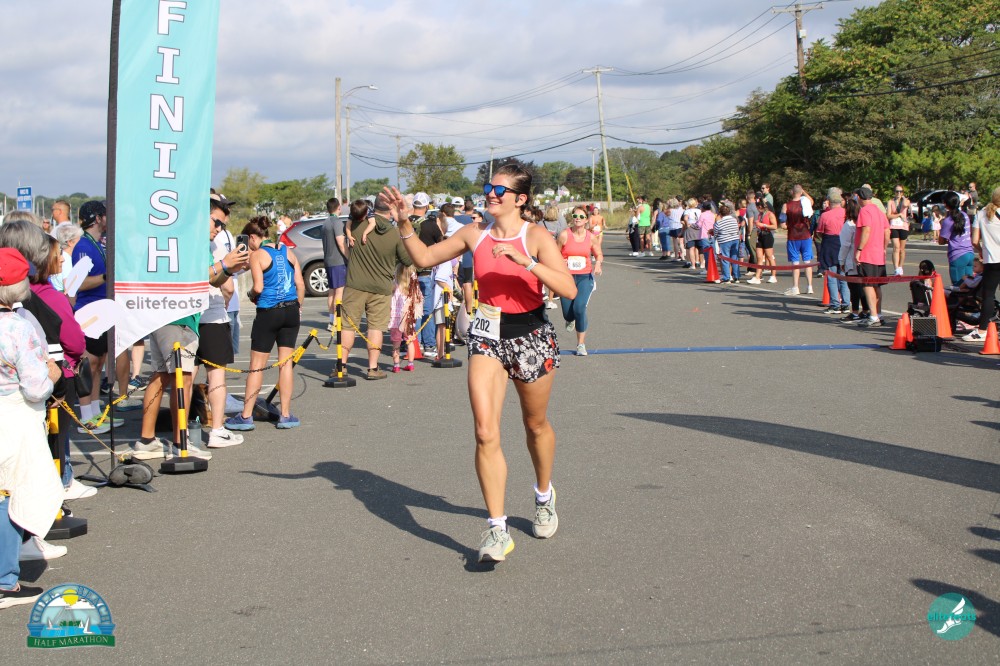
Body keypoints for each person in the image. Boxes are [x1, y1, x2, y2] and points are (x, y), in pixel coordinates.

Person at [384, 164, 577, 564]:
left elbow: (568, 289)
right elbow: (423, 257)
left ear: (520, 199)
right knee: (485, 432)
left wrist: (526, 262)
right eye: (489, 187)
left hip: (530, 336)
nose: (491, 193)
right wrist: (403, 222)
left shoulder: (536, 236)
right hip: (487, 334)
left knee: (535, 425)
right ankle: (497, 529)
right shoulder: (475, 233)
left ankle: (544, 496)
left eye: (500, 190)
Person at [131, 214, 249, 459]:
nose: (219, 228)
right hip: (178, 318)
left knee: (161, 376)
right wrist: (224, 263)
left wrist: (229, 269)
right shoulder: (189, 243)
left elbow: (212, 280)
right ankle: (180, 442)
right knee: (182, 379)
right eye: (216, 221)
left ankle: (147, 440)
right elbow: (192, 276)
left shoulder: (190, 243)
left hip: (166, 315)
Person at [0, 248, 65, 610]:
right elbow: (37, 387)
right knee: (10, 494)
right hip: (14, 416)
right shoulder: (18, 327)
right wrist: (52, 373)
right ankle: (5, 580)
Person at [225, 217, 304, 430]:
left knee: (257, 366)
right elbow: (300, 284)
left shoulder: (258, 255)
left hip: (269, 311)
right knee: (285, 363)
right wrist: (299, 306)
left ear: (252, 237)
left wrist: (251, 295)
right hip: (291, 310)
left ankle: (246, 416)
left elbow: (258, 287)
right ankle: (285, 415)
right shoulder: (288, 252)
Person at [329, 198, 412, 382]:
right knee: (376, 327)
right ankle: (373, 368)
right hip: (381, 287)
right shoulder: (394, 233)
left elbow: (344, 234)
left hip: (355, 284)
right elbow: (407, 260)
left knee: (348, 325)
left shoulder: (357, 224)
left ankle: (342, 366)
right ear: (390, 210)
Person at [558, 206, 603, 355]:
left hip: (584, 277)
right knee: (568, 314)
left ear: (586, 220)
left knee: (579, 308)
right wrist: (560, 261)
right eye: (575, 216)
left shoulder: (591, 237)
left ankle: (580, 345)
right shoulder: (564, 235)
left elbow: (598, 254)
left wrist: (598, 264)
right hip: (566, 277)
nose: (578, 218)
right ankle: (570, 319)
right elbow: (554, 253)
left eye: (581, 217)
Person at [964, 186, 1000, 343]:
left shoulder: (982, 213)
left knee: (988, 295)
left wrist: (981, 251)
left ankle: (982, 330)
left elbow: (974, 240)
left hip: (992, 259)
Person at [853, 186, 891, 327]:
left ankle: (873, 315)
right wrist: (884, 247)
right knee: (877, 285)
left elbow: (866, 230)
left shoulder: (864, 211)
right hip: (878, 253)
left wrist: (859, 249)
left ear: (859, 197)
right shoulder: (879, 211)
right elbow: (887, 232)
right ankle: (878, 314)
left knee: (868, 285)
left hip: (867, 254)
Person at [816, 188, 849, 314]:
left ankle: (835, 304)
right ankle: (846, 303)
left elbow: (819, 231)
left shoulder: (825, 215)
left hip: (830, 243)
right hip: (844, 243)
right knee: (843, 275)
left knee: (831, 274)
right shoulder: (846, 213)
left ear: (829, 202)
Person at [780, 184, 815, 296]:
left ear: (792, 192)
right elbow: (812, 201)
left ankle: (795, 287)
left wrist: (789, 225)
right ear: (801, 192)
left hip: (793, 236)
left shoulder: (786, 205)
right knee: (807, 262)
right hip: (805, 235)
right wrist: (803, 191)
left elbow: (782, 224)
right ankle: (809, 286)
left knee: (795, 263)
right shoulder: (806, 203)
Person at [389, 264, 422, 373]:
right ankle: (410, 364)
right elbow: (419, 299)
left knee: (396, 343)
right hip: (408, 317)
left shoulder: (395, 285)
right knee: (410, 341)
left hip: (395, 318)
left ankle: (396, 365)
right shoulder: (413, 287)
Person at [321, 197, 348, 330]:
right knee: (339, 291)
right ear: (339, 207)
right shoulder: (337, 222)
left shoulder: (325, 223)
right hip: (338, 261)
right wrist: (348, 256)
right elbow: (340, 242)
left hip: (328, 261)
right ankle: (337, 321)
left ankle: (332, 320)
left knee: (332, 291)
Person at [938, 191, 975, 286]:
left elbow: (941, 241)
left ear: (945, 204)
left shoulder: (948, 221)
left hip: (958, 255)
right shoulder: (965, 215)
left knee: (958, 287)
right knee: (969, 286)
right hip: (969, 253)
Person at [839, 198, 864, 322]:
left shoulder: (848, 225)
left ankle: (855, 312)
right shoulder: (861, 223)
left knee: (854, 287)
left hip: (851, 258)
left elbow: (845, 245)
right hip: (863, 257)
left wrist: (841, 260)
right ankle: (866, 310)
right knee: (863, 286)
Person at [746, 198, 778, 284]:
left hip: (767, 236)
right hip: (760, 236)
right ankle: (757, 277)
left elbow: (775, 226)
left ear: (760, 206)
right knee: (759, 257)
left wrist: (763, 225)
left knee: (769, 256)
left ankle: (773, 276)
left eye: (757, 207)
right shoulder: (760, 214)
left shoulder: (770, 214)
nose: (756, 209)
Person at [713, 203, 740, 284]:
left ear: (720, 214)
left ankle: (726, 277)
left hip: (725, 241)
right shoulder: (734, 220)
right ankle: (736, 276)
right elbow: (736, 229)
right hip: (735, 239)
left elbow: (715, 233)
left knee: (725, 258)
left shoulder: (719, 222)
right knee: (734, 258)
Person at [887, 185, 911, 276]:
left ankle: (900, 266)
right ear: (894, 192)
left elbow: (905, 205)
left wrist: (903, 198)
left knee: (902, 248)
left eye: (900, 191)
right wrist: (899, 215)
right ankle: (896, 268)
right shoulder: (890, 202)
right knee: (896, 247)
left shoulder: (905, 200)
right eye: (897, 191)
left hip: (903, 226)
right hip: (894, 226)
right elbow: (888, 215)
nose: (898, 193)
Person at [682, 198, 701, 269]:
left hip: (691, 229)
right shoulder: (699, 211)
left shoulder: (687, 211)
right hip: (698, 228)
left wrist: (687, 224)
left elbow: (685, 218)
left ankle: (693, 265)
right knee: (697, 247)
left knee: (691, 247)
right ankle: (697, 261)